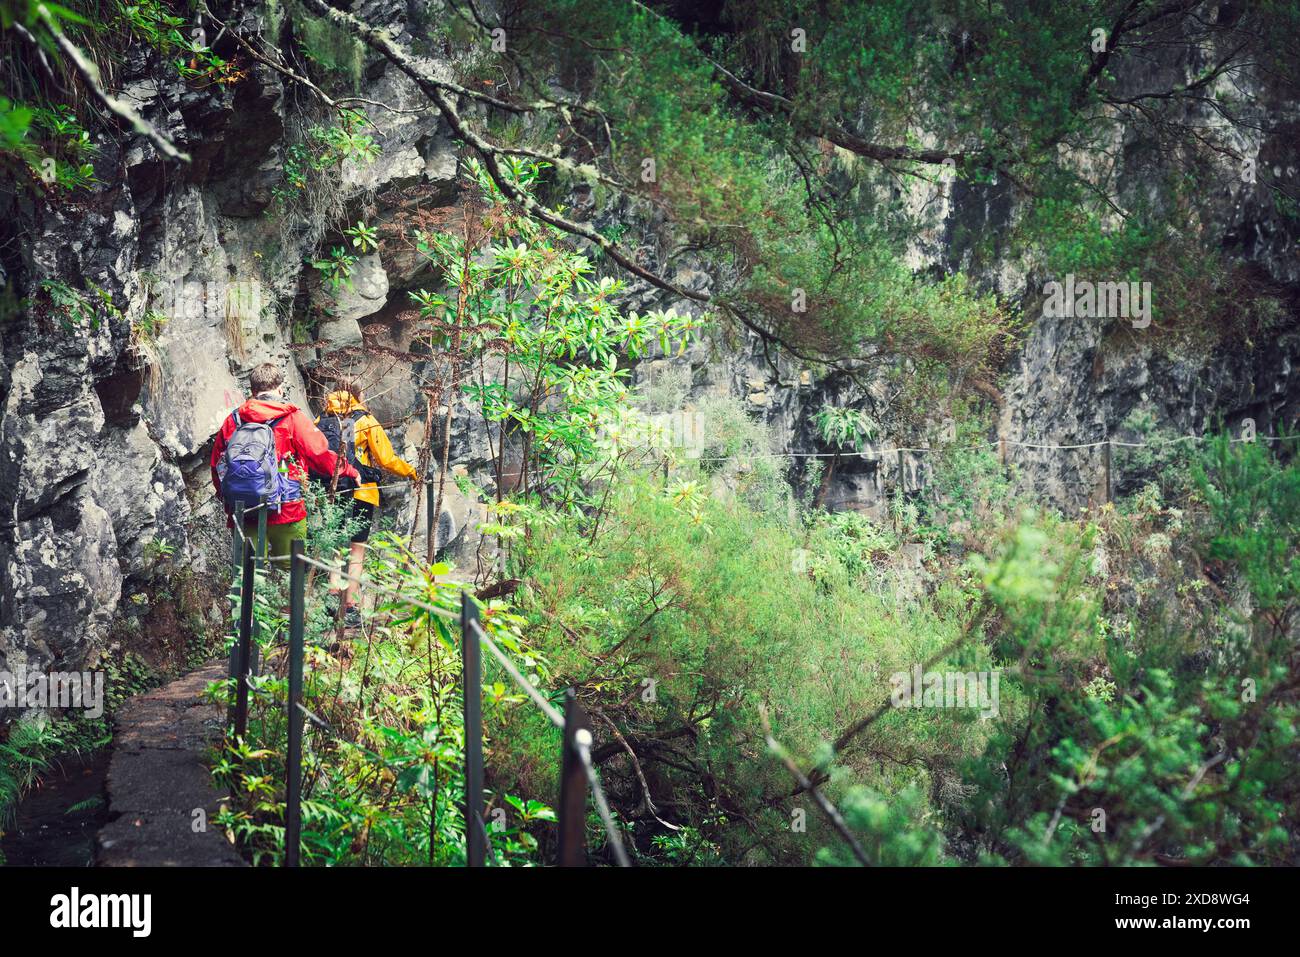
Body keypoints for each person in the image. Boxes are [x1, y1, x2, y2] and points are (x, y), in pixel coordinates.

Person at [210, 363, 359, 566]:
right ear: (280, 389)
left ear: (252, 391)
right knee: (291, 572)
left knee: (247, 573)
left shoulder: (233, 420)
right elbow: (320, 454)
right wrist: (348, 470)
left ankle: (250, 595)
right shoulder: (292, 418)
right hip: (286, 508)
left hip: (244, 508)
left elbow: (216, 465)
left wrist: (229, 496)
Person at [316, 378, 420, 627]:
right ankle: (350, 606)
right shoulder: (363, 420)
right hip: (361, 492)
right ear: (358, 394)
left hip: (332, 490)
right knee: (356, 549)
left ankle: (332, 600)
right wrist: (412, 472)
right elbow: (386, 458)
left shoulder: (322, 420)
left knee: (335, 545)